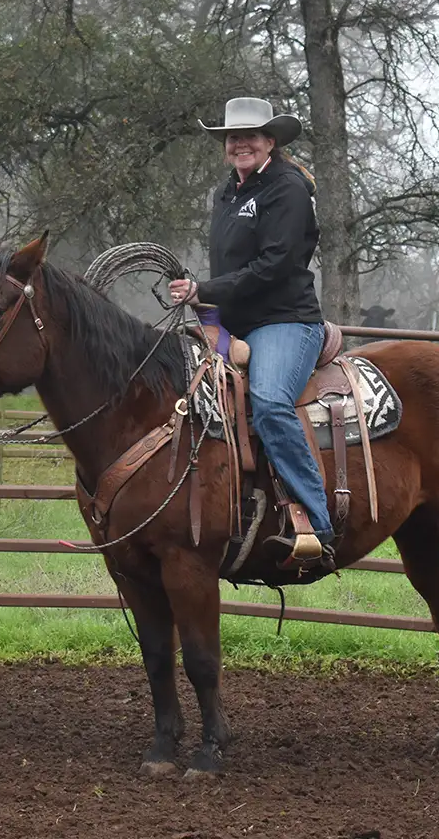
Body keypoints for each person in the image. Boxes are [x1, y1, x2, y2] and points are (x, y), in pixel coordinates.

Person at [167, 96, 334, 559]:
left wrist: (205, 290)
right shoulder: (228, 192)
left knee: (269, 403)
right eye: (231, 137)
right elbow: (233, 262)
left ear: (270, 141)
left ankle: (319, 523)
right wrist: (204, 301)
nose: (239, 143)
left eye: (249, 136)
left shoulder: (287, 189)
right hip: (232, 321)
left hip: (284, 320)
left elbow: (276, 264)